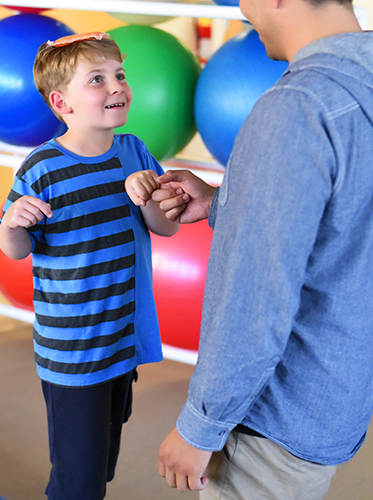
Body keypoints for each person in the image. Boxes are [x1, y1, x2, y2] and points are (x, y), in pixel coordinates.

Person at [154, 0, 373, 498]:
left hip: (273, 414)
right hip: (338, 395)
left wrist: (200, 425)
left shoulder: (297, 106)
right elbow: (348, 224)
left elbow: (254, 301)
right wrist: (226, 203)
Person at [0, 32, 179, 500]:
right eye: (97, 79)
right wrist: (12, 221)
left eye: (119, 75)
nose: (116, 86)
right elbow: (14, 247)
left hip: (120, 341)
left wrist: (151, 194)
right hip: (74, 353)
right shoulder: (42, 167)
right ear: (62, 102)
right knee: (78, 479)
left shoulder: (135, 151)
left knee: (100, 462)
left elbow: (165, 227)